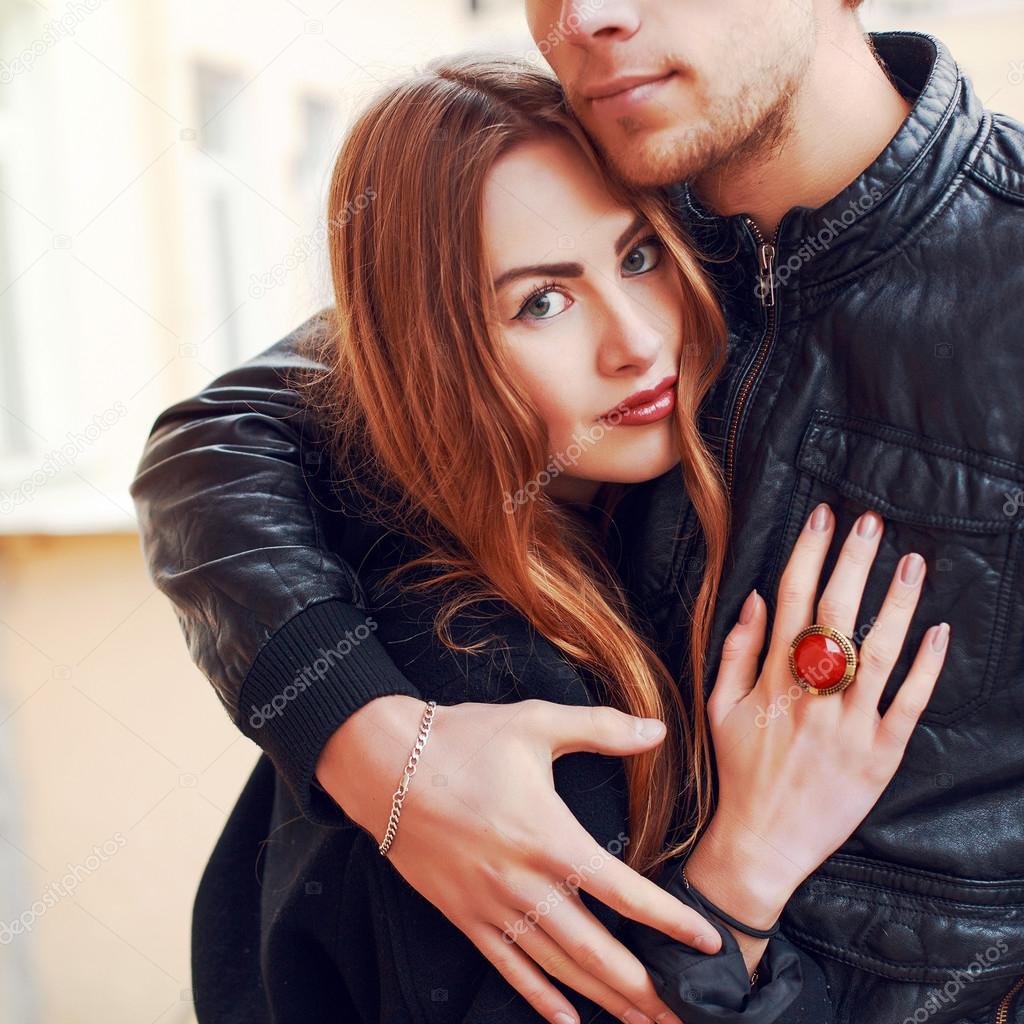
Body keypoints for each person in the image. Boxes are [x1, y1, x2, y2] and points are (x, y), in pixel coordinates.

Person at [130, 3, 1024, 1021]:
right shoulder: (477, 665)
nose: (587, 14)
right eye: (542, 302)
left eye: (641, 259)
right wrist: (376, 742)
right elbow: (227, 429)